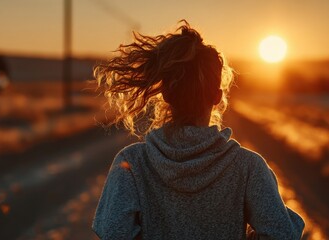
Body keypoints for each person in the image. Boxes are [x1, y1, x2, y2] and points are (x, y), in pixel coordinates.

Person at [92, 21, 305, 240]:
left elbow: (114, 233)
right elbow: (282, 234)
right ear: (217, 97)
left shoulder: (131, 163)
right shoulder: (248, 167)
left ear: (165, 94)